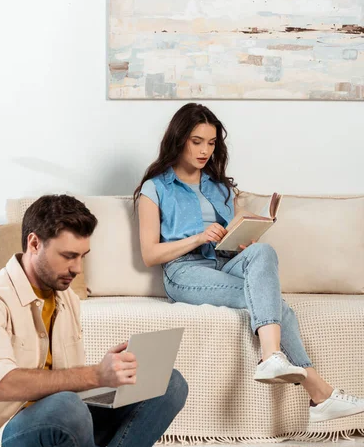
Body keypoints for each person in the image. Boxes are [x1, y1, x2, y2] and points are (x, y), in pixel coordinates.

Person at [134, 103, 364, 424]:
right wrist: (198, 237)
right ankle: (314, 388)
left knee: (263, 253)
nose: (204, 150)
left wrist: (242, 241)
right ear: (179, 139)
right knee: (273, 304)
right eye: (197, 141)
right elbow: (150, 254)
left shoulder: (220, 188)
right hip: (184, 271)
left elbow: (229, 238)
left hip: (224, 262)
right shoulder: (155, 188)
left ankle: (275, 360)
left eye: (211, 143)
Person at [0, 195, 188, 447]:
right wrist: (95, 374)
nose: (77, 269)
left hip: (66, 420)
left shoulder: (66, 298)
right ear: (33, 244)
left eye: (83, 256)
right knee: (67, 408)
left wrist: (110, 376)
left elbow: (68, 382)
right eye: (68, 255)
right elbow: (2, 385)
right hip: (9, 440)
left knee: (169, 381)